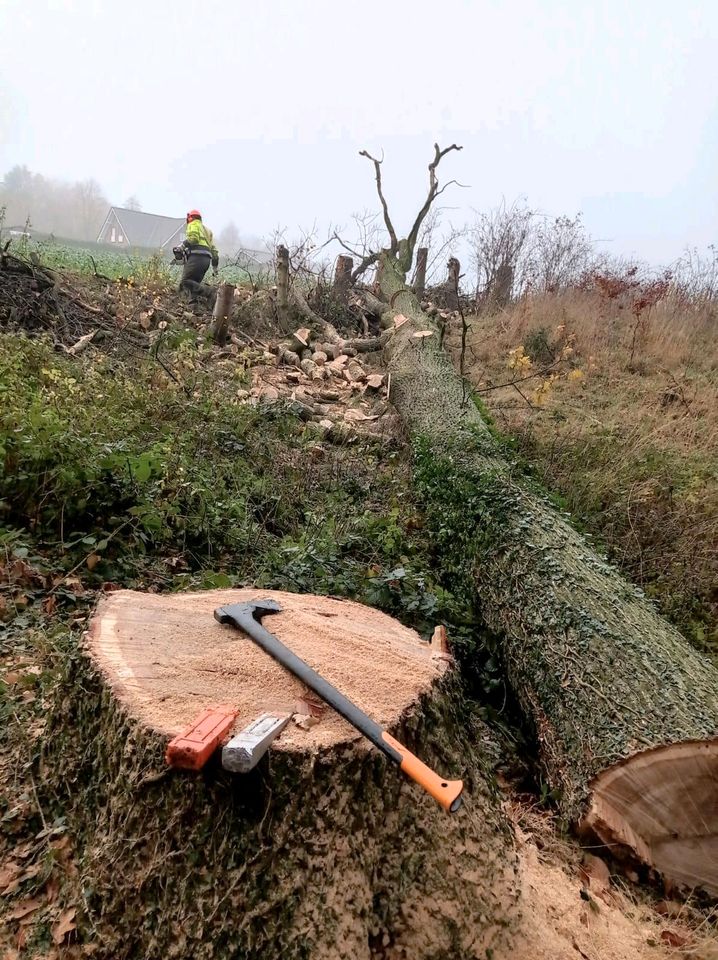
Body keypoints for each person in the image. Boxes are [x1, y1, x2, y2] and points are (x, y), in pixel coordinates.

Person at [174, 210, 219, 302]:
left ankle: (209, 292)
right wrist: (215, 268)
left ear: (190, 218)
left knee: (185, 282)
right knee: (194, 284)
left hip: (196, 257)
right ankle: (193, 305)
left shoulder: (193, 224)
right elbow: (214, 251)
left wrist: (182, 246)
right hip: (206, 260)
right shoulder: (207, 231)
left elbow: (193, 238)